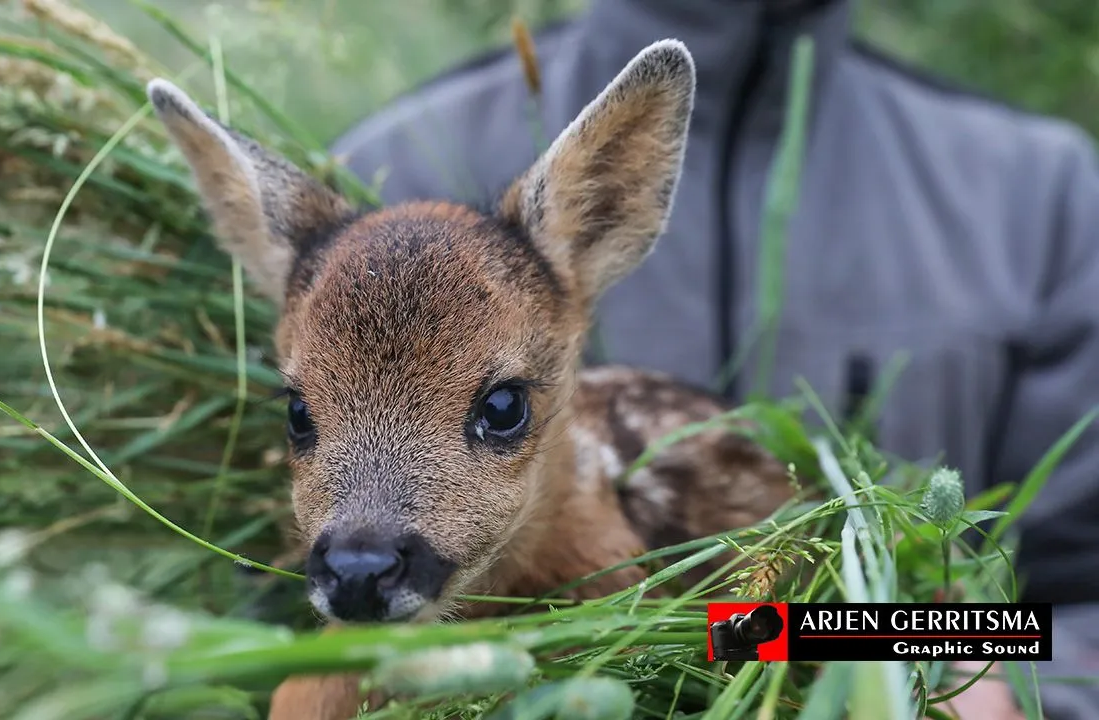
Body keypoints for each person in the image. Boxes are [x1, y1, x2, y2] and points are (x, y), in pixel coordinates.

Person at [325, 0, 1099, 718]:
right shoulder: (380, 182)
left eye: (499, 410)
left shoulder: (1041, 196)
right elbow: (289, 589)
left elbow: (1072, 605)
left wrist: (966, 664)